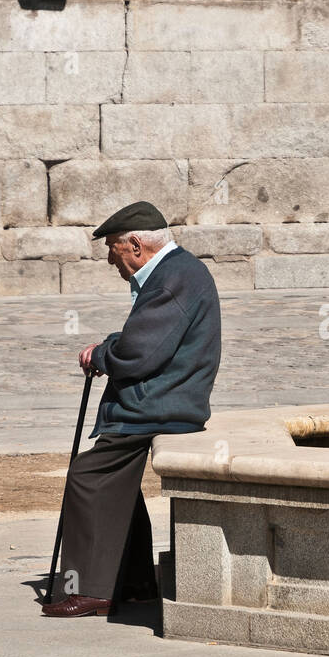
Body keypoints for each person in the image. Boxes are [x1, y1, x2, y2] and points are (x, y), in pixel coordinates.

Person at [41, 200, 221, 618]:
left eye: (113, 250)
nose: (110, 260)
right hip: (164, 397)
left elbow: (140, 353)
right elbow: (148, 338)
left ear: (135, 245)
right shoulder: (178, 273)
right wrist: (110, 348)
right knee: (117, 487)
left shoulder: (173, 278)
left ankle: (88, 590)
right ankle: (135, 583)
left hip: (159, 403)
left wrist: (103, 355)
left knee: (88, 476)